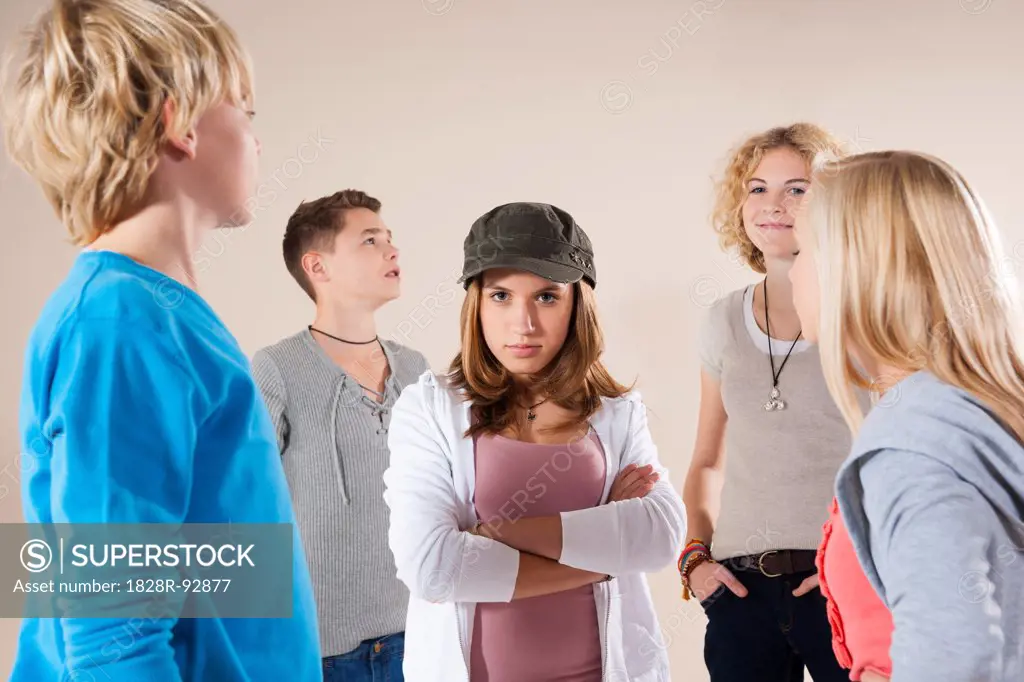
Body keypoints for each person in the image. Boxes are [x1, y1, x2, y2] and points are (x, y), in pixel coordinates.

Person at [2, 1, 320, 679]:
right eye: (244, 112)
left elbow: (212, 571)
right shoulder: (119, 324)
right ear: (179, 123)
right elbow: (114, 634)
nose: (256, 140)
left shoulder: (156, 315)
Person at [381, 202, 686, 682]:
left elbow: (660, 537)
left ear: (576, 305)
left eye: (546, 297)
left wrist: (499, 533)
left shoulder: (618, 411)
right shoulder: (429, 409)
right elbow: (433, 568)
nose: (523, 323)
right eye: (501, 295)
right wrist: (603, 561)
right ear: (476, 303)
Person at [792, 150, 1024, 682]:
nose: (791, 270)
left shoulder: (913, 449)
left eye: (803, 251)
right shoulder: (974, 417)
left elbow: (954, 657)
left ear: (855, 270)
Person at [678, 123, 859, 682]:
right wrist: (695, 561)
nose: (772, 204)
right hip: (739, 592)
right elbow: (708, 459)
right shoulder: (722, 321)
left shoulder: (861, 317)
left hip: (840, 590)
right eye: (757, 188)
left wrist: (853, 569)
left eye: (796, 189)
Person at [252, 189, 429, 681]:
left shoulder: (415, 368)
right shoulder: (276, 368)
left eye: (390, 239)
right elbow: (244, 502)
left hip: (419, 636)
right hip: (319, 649)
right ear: (318, 267)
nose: (392, 251)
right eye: (370, 241)